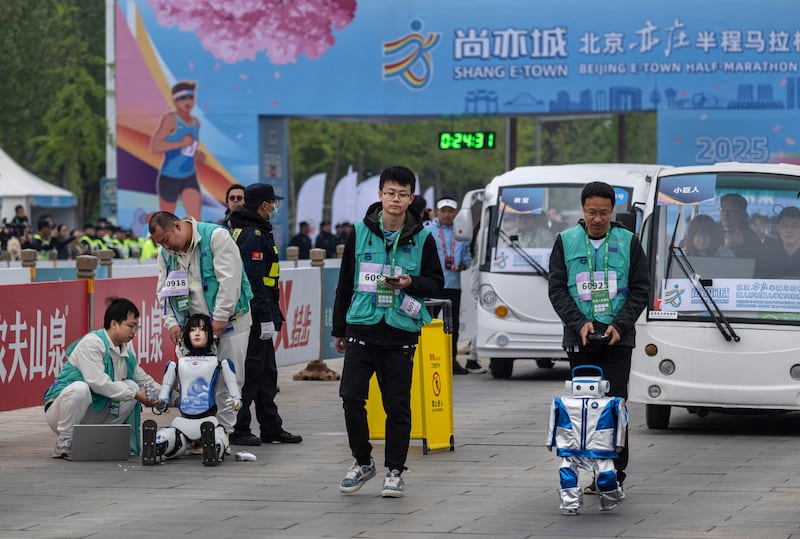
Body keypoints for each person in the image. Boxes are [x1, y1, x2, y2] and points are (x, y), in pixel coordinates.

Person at [333, 165, 444, 498]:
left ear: (411, 199)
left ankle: (395, 470)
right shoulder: (358, 232)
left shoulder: (423, 238)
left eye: (402, 194)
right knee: (351, 396)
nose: (396, 199)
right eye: (390, 193)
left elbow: (436, 282)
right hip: (361, 327)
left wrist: (411, 283)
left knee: (397, 406)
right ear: (380, 195)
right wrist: (339, 328)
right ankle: (362, 461)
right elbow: (344, 282)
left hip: (399, 332)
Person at [548, 181, 650, 493]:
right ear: (582, 210)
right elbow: (556, 288)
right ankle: (585, 467)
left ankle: (614, 472)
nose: (597, 219)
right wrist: (579, 323)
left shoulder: (629, 241)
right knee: (584, 406)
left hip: (618, 337)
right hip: (580, 337)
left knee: (615, 403)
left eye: (604, 213)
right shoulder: (565, 241)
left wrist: (620, 325)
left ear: (612, 211)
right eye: (592, 212)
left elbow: (641, 288)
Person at [149, 211, 253, 434]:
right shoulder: (166, 253)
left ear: (177, 226)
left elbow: (230, 280)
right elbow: (163, 291)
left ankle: (223, 432)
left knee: (229, 380)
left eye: (166, 240)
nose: (167, 247)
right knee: (193, 381)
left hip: (230, 323)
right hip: (192, 328)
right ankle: (195, 432)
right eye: (161, 244)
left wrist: (221, 316)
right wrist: (171, 323)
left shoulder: (216, 237)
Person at [227, 183, 302, 446]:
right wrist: (265, 317)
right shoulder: (253, 235)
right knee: (251, 374)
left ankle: (271, 427)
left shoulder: (251, 230)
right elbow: (255, 281)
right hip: (256, 315)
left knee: (267, 373)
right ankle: (239, 427)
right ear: (263, 205)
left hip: (262, 312)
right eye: (272, 202)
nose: (274, 207)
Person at [43, 297, 160, 459]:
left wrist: (173, 397)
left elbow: (146, 382)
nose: (134, 332)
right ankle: (66, 441)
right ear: (114, 324)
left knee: (132, 385)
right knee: (80, 388)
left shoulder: (126, 355)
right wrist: (135, 394)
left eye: (136, 327)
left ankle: (100, 439)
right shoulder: (92, 343)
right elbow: (97, 382)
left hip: (91, 412)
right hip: (60, 414)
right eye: (130, 326)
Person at [143, 314, 242, 466]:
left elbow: (235, 393)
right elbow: (165, 395)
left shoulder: (221, 363)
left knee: (219, 436)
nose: (197, 333)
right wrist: (159, 401)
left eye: (202, 329)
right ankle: (156, 447)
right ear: (186, 334)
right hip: (182, 422)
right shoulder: (177, 364)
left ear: (210, 334)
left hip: (209, 420)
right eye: (193, 329)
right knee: (169, 437)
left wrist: (235, 402)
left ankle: (213, 448)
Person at [546, 366, 627, 515]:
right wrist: (550, 440)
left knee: (607, 474)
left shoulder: (612, 403)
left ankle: (609, 501)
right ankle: (570, 503)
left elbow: (621, 423)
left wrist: (619, 443)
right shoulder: (562, 402)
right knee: (566, 471)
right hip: (571, 445)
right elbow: (553, 420)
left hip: (600, 446)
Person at [426, 197, 476, 375]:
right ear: (438, 212)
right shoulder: (428, 230)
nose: (447, 214)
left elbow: (468, 255)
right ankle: (428, 358)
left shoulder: (461, 231)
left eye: (450, 211)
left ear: (455, 213)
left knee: (452, 324)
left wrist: (464, 263)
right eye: (443, 210)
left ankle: (451, 360)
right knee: (430, 322)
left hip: (453, 284)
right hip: (433, 284)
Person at [150, 80, 205, 219]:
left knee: (196, 220)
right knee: (167, 221)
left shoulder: (195, 123)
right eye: (182, 98)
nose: (187, 101)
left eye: (190, 97)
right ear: (175, 101)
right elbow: (155, 146)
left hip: (189, 175)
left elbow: (188, 150)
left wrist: (196, 154)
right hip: (169, 177)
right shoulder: (171, 119)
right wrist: (180, 143)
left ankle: (195, 241)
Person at [755, 206, 800, 278]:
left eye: (795, 226)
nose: (789, 230)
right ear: (778, 228)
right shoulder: (767, 252)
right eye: (784, 226)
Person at [719, 193, 762, 258]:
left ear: (741, 213)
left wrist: (740, 246)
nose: (725, 213)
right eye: (723, 209)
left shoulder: (750, 237)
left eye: (731, 209)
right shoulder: (713, 231)